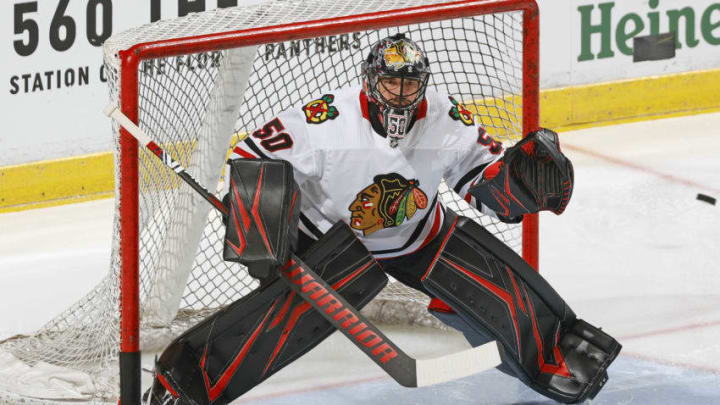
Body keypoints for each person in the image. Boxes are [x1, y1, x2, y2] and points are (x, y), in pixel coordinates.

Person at [144, 34, 620, 405]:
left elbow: (479, 176)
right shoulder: (326, 119)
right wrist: (263, 222)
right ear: (370, 81)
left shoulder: (443, 115)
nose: (400, 94)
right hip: (332, 242)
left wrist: (515, 185)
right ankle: (186, 381)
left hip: (418, 235)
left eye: (410, 84)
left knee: (495, 280)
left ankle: (557, 351)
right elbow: (254, 155)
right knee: (278, 321)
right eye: (391, 82)